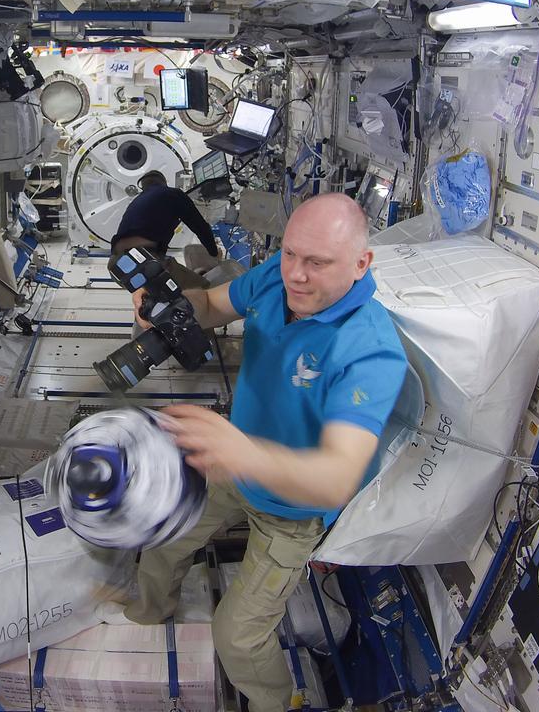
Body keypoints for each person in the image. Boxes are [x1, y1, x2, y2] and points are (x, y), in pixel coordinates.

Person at [122, 192, 407, 712]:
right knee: (161, 543)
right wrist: (166, 311)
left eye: (317, 262)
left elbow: (337, 476)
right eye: (290, 253)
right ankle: (145, 624)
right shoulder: (277, 276)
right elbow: (212, 306)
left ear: (361, 264)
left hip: (291, 511)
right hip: (234, 467)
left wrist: (241, 452)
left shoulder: (370, 349)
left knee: (237, 638)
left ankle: (276, 703)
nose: (296, 274)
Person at [111, 170, 219, 291]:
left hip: (117, 266)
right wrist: (214, 254)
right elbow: (200, 227)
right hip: (145, 261)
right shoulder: (172, 194)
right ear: (164, 182)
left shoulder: (136, 201)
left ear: (143, 186)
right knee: (207, 290)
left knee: (170, 291)